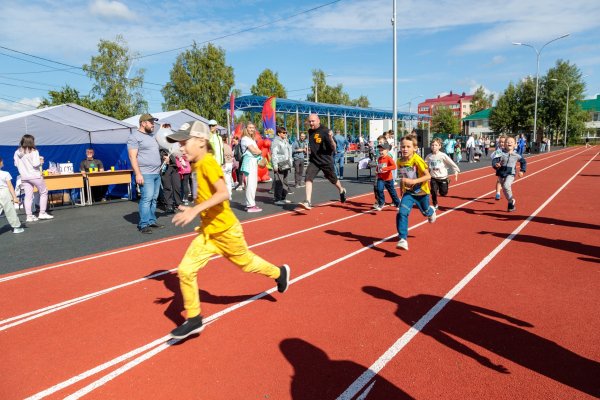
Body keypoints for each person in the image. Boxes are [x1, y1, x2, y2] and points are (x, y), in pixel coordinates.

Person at [164, 121, 290, 340]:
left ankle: (279, 273)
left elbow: (223, 193)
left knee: (247, 264)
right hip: (208, 232)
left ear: (201, 142)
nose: (181, 148)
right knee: (185, 270)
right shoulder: (197, 164)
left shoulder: (208, 163)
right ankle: (194, 319)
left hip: (226, 232)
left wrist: (195, 210)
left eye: (185, 142)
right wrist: (196, 209)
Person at [395, 135, 436, 251]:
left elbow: (428, 176)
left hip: (422, 192)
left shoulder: (417, 160)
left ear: (415, 148)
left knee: (425, 212)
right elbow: (404, 176)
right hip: (409, 193)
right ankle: (403, 239)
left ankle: (431, 211)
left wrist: (413, 181)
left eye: (408, 146)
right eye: (403, 146)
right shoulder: (400, 161)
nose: (405, 149)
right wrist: (402, 188)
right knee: (402, 213)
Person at [299, 114, 347, 210]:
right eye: (310, 121)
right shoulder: (310, 131)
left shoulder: (326, 131)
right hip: (314, 160)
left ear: (318, 120)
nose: (311, 123)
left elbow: (334, 147)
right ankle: (308, 201)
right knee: (308, 177)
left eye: (313, 121)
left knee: (332, 179)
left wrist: (330, 138)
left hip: (326, 161)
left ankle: (341, 190)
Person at [127, 113, 164, 234]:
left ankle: (151, 221)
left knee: (154, 199)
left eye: (153, 122)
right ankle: (143, 224)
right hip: (145, 173)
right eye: (151, 122)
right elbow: (132, 157)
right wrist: (138, 174)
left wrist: (164, 158)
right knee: (146, 198)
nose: (153, 124)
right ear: (143, 123)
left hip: (156, 173)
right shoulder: (134, 137)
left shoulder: (152, 136)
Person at [13, 134, 53, 222]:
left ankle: (29, 216)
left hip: (24, 177)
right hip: (35, 175)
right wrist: (41, 161)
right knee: (44, 192)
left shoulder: (17, 152)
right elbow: (35, 164)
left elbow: (16, 164)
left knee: (28, 196)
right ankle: (42, 213)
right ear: (31, 141)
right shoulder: (34, 151)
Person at [492, 136, 526, 212]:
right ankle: (511, 202)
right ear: (504, 144)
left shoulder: (516, 155)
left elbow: (523, 162)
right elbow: (494, 160)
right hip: (500, 172)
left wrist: (522, 170)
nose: (509, 143)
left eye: (511, 142)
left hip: (510, 173)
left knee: (506, 185)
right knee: (504, 189)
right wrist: (495, 165)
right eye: (507, 142)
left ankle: (511, 201)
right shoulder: (499, 152)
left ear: (515, 144)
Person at [425, 138, 460, 209]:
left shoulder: (443, 155)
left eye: (436, 145)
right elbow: (425, 166)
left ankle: (447, 182)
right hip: (433, 177)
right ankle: (435, 204)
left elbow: (451, 163)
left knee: (443, 193)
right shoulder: (428, 156)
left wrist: (456, 171)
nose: (434, 146)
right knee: (433, 191)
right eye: (432, 145)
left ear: (439, 146)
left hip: (442, 177)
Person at [239, 123, 263, 212]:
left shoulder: (251, 139)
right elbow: (254, 150)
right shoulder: (245, 139)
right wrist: (259, 152)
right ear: (246, 128)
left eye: (253, 127)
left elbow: (256, 150)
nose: (252, 129)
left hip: (252, 161)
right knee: (251, 184)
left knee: (252, 183)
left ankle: (249, 203)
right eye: (250, 127)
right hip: (249, 162)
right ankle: (250, 205)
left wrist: (258, 151)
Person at [373, 142, 400, 211]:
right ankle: (381, 203)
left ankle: (398, 203)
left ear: (387, 150)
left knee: (392, 192)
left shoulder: (388, 158)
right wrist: (377, 171)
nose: (380, 152)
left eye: (382, 150)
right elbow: (379, 166)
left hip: (388, 179)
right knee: (379, 190)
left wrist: (385, 169)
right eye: (379, 150)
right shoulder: (379, 159)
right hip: (381, 178)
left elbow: (394, 166)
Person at [0, 157, 24, 233]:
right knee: (10, 210)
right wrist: (15, 197)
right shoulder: (5, 173)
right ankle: (16, 227)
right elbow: (10, 186)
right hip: (4, 193)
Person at [271, 127, 294, 205]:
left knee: (285, 182)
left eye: (286, 132)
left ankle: (283, 198)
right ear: (279, 133)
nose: (285, 134)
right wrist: (275, 165)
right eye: (283, 132)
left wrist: (290, 162)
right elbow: (274, 154)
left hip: (286, 164)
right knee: (279, 182)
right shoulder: (276, 142)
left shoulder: (285, 141)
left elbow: (289, 152)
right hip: (280, 163)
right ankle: (277, 199)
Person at [490, 135, 506, 200]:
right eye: (500, 142)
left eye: (503, 142)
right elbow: (494, 159)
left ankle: (505, 192)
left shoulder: (509, 151)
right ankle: (498, 193)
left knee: (505, 182)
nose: (502, 143)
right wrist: (495, 165)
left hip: (508, 169)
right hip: (500, 168)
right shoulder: (498, 151)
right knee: (499, 180)